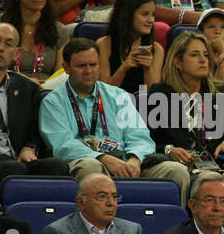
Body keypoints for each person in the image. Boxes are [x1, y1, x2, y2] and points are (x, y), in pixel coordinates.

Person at [38, 38, 191, 196]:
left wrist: (135, 159)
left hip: (126, 161)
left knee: (176, 171)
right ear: (66, 68)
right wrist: (103, 158)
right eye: (81, 66)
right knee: (90, 167)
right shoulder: (53, 101)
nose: (89, 71)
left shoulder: (118, 95)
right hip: (90, 162)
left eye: (93, 65)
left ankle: (178, 220)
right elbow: (63, 145)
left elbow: (140, 135)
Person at [0, 22, 69, 190]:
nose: (0, 48)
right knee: (14, 169)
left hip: (17, 159)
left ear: (16, 54)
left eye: (8, 44)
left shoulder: (27, 88)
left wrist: (30, 147)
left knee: (57, 166)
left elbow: (35, 128)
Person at [146, 30, 224, 177]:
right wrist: (170, 150)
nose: (203, 60)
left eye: (206, 55)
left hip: (213, 166)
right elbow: (148, 140)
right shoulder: (161, 94)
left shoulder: (218, 93)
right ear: (178, 62)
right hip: (177, 167)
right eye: (194, 55)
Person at [0, 0, 69, 84]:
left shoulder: (59, 30)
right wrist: (27, 82)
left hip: (47, 92)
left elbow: (60, 74)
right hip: (9, 87)